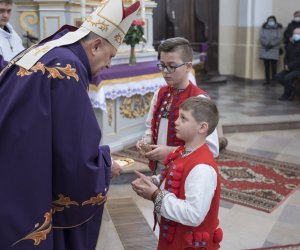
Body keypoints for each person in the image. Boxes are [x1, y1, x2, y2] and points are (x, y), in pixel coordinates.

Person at [0, 0, 140, 249]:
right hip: (26, 186)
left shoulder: (49, 50)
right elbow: (75, 160)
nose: (109, 65)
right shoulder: (69, 68)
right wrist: (105, 166)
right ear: (96, 45)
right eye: (111, 56)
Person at [132, 96, 223, 250]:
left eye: (183, 118)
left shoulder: (202, 169)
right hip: (173, 238)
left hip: (188, 244)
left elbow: (194, 214)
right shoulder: (183, 151)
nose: (176, 122)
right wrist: (153, 183)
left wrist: (156, 195)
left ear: (202, 127)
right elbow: (174, 179)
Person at [136, 37, 219, 172]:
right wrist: (147, 140)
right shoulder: (160, 94)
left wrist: (171, 151)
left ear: (188, 66)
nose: (165, 71)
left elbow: (212, 149)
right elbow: (150, 126)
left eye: (172, 66)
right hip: (159, 169)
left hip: (185, 171)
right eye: (162, 65)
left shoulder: (199, 99)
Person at [275, 27, 300, 101]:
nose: (296, 35)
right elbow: (286, 57)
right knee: (278, 76)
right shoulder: (290, 45)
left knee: (287, 78)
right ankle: (293, 90)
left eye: (298, 33)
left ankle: (287, 95)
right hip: (289, 67)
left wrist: (289, 66)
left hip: (298, 68)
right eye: (295, 33)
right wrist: (285, 65)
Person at [259, 16, 283, 85]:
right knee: (266, 66)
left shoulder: (278, 28)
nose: (271, 21)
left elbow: (279, 38)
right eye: (269, 20)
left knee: (273, 66)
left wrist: (272, 44)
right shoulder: (264, 28)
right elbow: (261, 37)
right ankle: (267, 80)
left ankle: (274, 80)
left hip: (274, 49)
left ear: (275, 21)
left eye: (272, 20)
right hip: (265, 49)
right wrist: (266, 44)